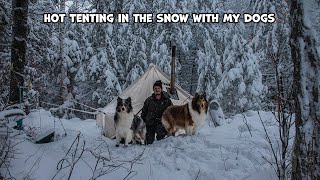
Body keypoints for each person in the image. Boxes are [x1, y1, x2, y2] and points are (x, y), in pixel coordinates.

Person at [141, 80, 173, 145]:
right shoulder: (149, 100)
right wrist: (144, 122)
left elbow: (172, 111)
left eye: (158, 88)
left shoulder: (167, 100)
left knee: (160, 142)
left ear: (161, 89)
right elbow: (144, 112)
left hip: (162, 123)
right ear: (153, 89)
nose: (157, 90)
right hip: (150, 123)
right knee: (148, 142)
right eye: (155, 88)